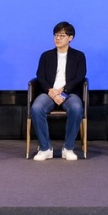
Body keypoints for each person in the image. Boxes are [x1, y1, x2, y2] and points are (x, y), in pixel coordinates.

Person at [30, 21, 87, 161]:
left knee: (76, 108)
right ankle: (45, 149)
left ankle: (68, 148)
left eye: (62, 35)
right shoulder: (46, 56)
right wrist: (50, 91)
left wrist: (63, 91)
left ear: (70, 37)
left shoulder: (79, 56)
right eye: (56, 35)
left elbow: (80, 77)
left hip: (69, 93)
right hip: (49, 93)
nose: (58, 38)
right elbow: (40, 76)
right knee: (36, 108)